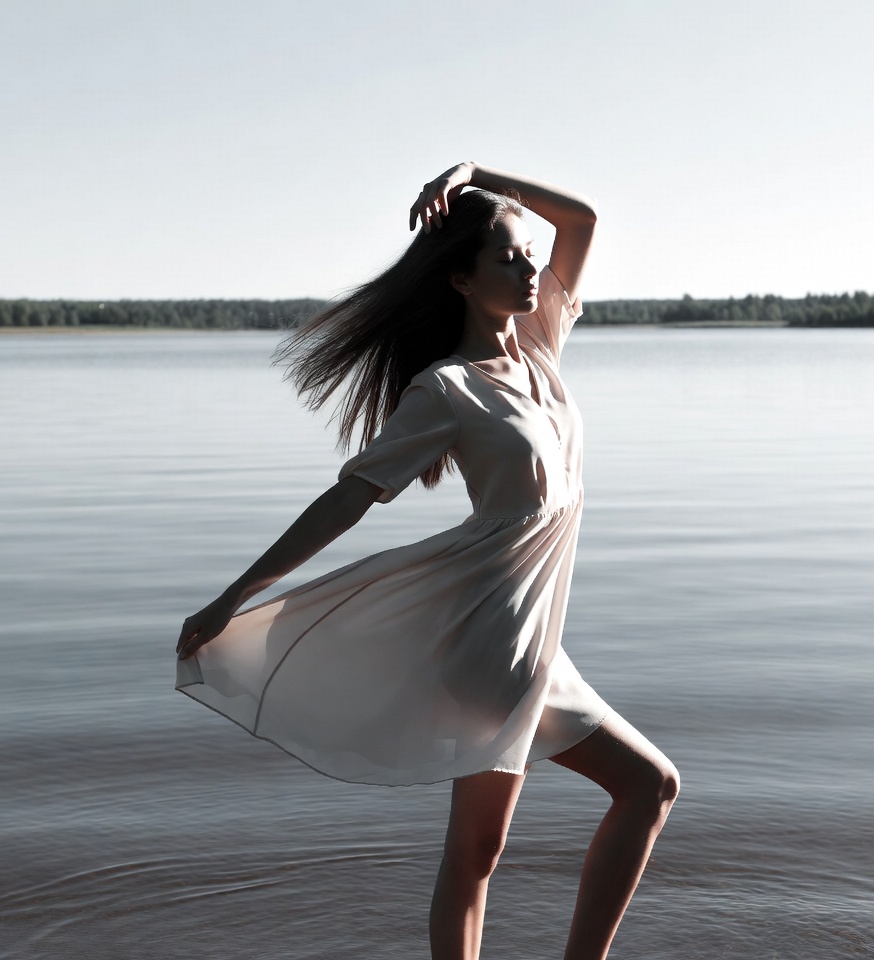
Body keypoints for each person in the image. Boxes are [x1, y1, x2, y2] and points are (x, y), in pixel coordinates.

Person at [176, 162, 679, 960]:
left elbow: (581, 220)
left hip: (532, 641)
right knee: (646, 785)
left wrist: (477, 169)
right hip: (490, 645)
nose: (529, 268)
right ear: (461, 280)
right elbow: (350, 497)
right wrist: (235, 595)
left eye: (528, 255)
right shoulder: (446, 389)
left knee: (479, 853)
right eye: (507, 258)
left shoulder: (542, 348)